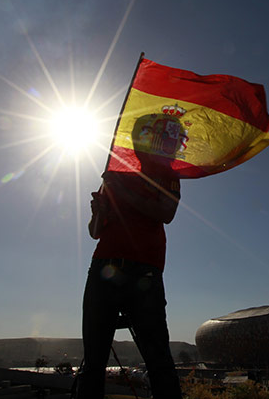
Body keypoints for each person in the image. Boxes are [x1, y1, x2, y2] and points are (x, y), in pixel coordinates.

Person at [76, 170, 182, 399]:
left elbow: (166, 212)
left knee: (158, 360)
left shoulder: (166, 173)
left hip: (144, 272)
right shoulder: (114, 174)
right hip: (104, 268)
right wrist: (98, 214)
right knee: (94, 360)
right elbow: (94, 232)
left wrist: (124, 193)